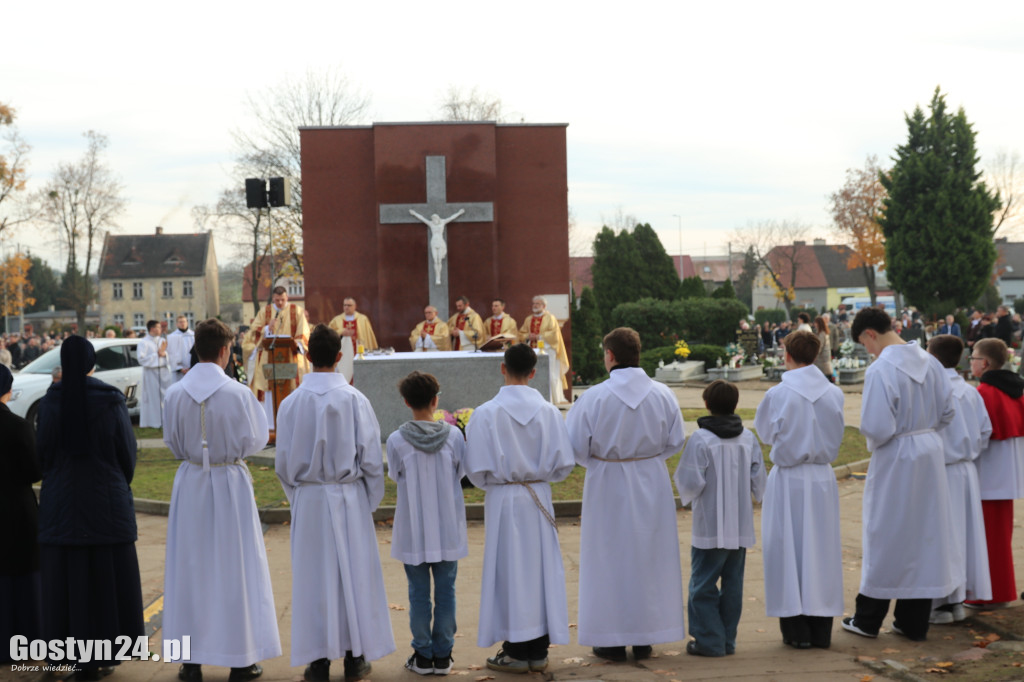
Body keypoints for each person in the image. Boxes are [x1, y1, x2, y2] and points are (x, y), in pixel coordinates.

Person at [163, 319, 280, 682]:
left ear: (196, 349)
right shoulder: (237, 393)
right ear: (225, 351)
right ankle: (240, 660)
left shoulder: (175, 393)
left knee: (189, 568)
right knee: (235, 567)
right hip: (229, 482)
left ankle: (190, 662)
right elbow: (257, 439)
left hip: (191, 482)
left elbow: (171, 441)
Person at [275, 324, 392, 682]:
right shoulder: (355, 400)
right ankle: (355, 657)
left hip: (310, 498)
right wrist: (367, 501)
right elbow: (371, 459)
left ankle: (318, 662)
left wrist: (300, 498)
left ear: (308, 356)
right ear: (340, 357)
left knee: (314, 580)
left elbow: (283, 465)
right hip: (348, 496)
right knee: (353, 578)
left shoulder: (291, 403)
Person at [566, 327, 686, 662]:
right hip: (651, 480)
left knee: (608, 558)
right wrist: (647, 460)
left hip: (607, 481)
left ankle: (611, 638)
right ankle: (646, 636)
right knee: (649, 557)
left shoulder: (594, 397)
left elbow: (574, 445)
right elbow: (675, 440)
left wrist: (602, 462)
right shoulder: (662, 394)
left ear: (610, 355)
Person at [841, 307, 956, 642]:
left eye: (864, 344)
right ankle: (913, 621)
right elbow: (948, 411)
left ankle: (868, 618)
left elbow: (877, 426)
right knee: (924, 535)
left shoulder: (881, 369)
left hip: (896, 455)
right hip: (928, 451)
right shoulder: (931, 362)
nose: (867, 351)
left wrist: (893, 436)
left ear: (870, 334)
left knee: (886, 533)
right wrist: (924, 429)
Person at [36, 336, 144, 680]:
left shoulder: (50, 402)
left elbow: (43, 455)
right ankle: (104, 654)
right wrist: (116, 483)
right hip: (106, 504)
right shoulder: (111, 400)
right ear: (91, 364)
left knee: (67, 585)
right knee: (105, 584)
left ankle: (70, 656)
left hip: (62, 505)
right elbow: (127, 454)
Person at [464, 343, 574, 674]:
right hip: (537, 495)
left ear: (503, 368)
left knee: (510, 571)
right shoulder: (549, 412)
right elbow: (564, 464)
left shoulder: (486, 413)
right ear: (534, 372)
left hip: (503, 497)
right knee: (539, 571)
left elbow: (475, 469)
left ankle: (515, 650)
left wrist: (497, 483)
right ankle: (538, 649)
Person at [754, 331, 845, 649]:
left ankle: (796, 631)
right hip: (821, 478)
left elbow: (765, 434)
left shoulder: (778, 394)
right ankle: (820, 629)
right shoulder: (834, 393)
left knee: (787, 549)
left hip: (790, 478)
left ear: (787, 355)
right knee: (821, 550)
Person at [675, 380, 766, 657]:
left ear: (706, 404)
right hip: (739, 525)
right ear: (735, 404)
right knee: (733, 585)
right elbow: (759, 480)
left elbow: (690, 482)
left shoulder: (701, 439)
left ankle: (709, 641)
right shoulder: (748, 438)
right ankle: (727, 640)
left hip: (710, 524)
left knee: (702, 584)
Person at [386, 371, 468, 676]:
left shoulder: (397, 440)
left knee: (417, 594)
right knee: (446, 591)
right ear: (435, 400)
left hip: (414, 528)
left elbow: (396, 475)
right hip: (446, 526)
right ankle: (443, 655)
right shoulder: (454, 437)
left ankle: (422, 655)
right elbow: (460, 473)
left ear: (406, 402)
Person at [926, 335, 992, 623]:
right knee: (963, 536)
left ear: (933, 357)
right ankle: (957, 600)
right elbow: (985, 431)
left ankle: (942, 602)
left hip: (942, 469)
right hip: (966, 469)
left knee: (943, 536)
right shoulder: (970, 391)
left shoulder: (933, 390)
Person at [967, 337, 1024, 609]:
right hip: (1007, 474)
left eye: (974, 358)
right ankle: (999, 590)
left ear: (986, 363)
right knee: (999, 537)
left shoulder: (984, 393)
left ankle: (989, 594)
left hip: (986, 474)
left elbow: (974, 438)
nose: (971, 362)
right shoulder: (1017, 389)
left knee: (987, 539)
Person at [0, 364, 42, 662]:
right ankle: (24, 642)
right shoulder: (19, 426)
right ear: (8, 389)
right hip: (16, 508)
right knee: (22, 577)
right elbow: (35, 470)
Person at [249, 286, 311, 427]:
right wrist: (267, 328)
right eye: (277, 300)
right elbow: (253, 330)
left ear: (287, 297)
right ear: (273, 299)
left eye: (283, 299)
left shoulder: (297, 311)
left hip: (291, 358)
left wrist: (297, 343)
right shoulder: (265, 312)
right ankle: (272, 426)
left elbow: (304, 332)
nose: (280, 303)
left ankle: (293, 426)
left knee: (292, 391)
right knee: (271, 392)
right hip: (270, 359)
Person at [518, 296, 570, 403]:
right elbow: (521, 333)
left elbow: (554, 334)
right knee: (532, 374)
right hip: (531, 351)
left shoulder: (550, 318)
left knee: (549, 374)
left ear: (544, 306)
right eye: (534, 303)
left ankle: (552, 400)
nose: (535, 305)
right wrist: (528, 336)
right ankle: (533, 399)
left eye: (538, 303)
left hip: (547, 350)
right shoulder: (528, 319)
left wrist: (539, 336)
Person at [328, 297, 379, 383]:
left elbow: (368, 336)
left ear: (355, 306)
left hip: (359, 352)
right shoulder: (337, 320)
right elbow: (329, 333)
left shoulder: (363, 319)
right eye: (344, 305)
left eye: (349, 305)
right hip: (343, 354)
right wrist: (341, 332)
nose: (346, 307)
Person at [137, 319, 172, 428]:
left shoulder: (162, 340)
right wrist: (157, 354)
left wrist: (164, 354)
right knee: (154, 398)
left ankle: (166, 420)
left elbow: (169, 355)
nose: (161, 329)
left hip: (163, 371)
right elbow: (141, 359)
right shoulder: (143, 342)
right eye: (158, 327)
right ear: (152, 329)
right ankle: (155, 422)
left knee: (166, 396)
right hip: (151, 373)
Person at [166, 315, 196, 384]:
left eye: (184, 321)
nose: (183, 323)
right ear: (176, 324)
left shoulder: (193, 336)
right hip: (178, 370)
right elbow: (170, 353)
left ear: (187, 323)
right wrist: (179, 368)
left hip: (192, 368)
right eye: (180, 322)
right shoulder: (171, 337)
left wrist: (191, 367)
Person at [813, 316, 834, 382]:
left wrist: (815, 355)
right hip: (825, 357)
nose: (814, 324)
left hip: (822, 357)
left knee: (824, 374)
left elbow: (820, 346)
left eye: (816, 323)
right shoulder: (823, 332)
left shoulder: (821, 333)